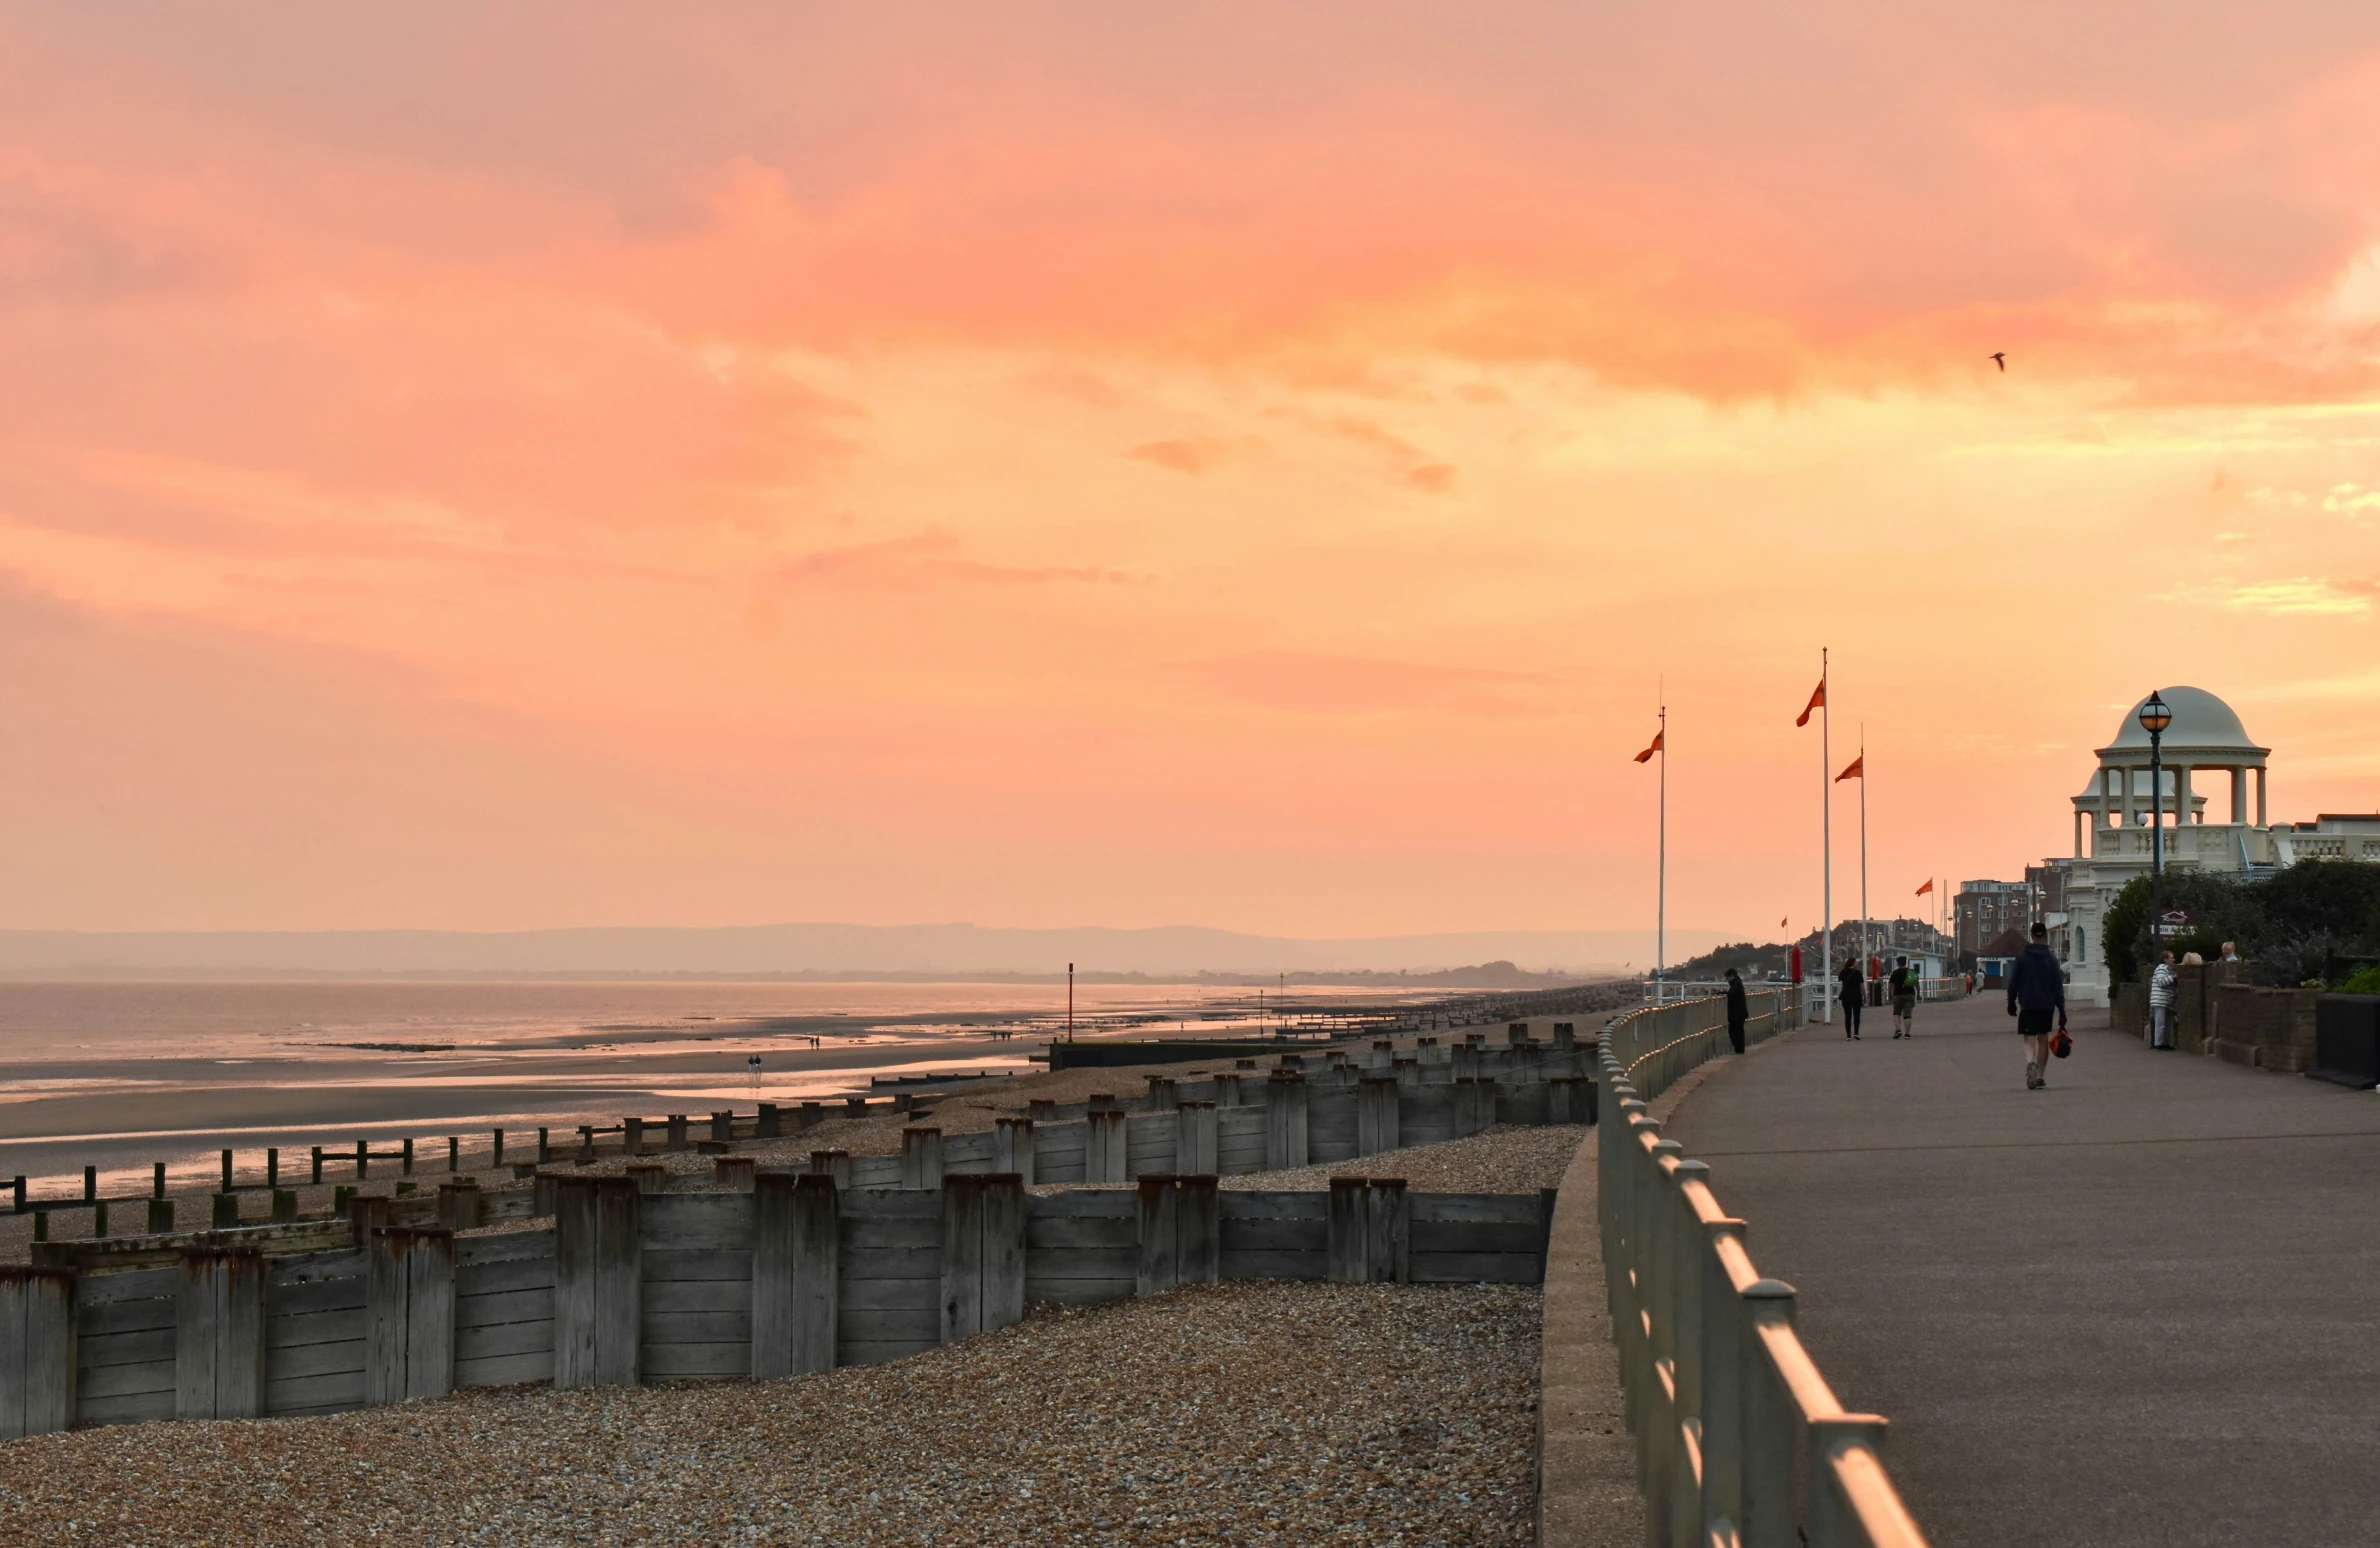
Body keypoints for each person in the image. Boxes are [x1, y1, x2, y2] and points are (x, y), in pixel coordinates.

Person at [2006, 921, 2067, 1088]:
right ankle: (2039, 1076)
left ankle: (2030, 1062)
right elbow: (2058, 987)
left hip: (2028, 1004)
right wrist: (2062, 1009)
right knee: (2043, 1039)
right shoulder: (2052, 960)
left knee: (2028, 1039)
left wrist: (2011, 1001)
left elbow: (2014, 982)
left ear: (2031, 936)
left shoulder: (2022, 957)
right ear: (2045, 936)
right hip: (2047, 1006)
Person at [2148, 950, 2177, 1050]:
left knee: (2166, 1023)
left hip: (2165, 1001)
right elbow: (2161, 982)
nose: (2174, 959)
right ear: (2165, 959)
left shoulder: (2168, 969)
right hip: (2159, 1000)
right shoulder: (2161, 968)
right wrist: (2173, 977)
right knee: (2160, 1023)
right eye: (2171, 957)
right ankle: (2158, 1044)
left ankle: (2164, 1043)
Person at [1888, 955, 1916, 1038]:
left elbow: (1890, 984)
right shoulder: (1910, 971)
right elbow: (1916, 983)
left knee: (1896, 1013)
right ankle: (1907, 1033)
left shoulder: (1895, 973)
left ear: (1898, 963)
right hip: (1909, 995)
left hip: (1898, 995)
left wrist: (1889, 994)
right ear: (1905, 962)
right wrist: (1918, 994)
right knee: (1907, 1015)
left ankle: (1898, 1030)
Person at [1837, 955, 1864, 1040]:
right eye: (1856, 962)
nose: (1857, 964)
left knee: (1847, 1015)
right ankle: (1856, 1033)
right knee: (1857, 1015)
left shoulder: (1842, 972)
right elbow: (1861, 986)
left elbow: (1841, 980)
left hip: (1846, 996)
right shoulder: (1858, 973)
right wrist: (1865, 996)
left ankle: (1848, 1035)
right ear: (1853, 963)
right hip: (1856, 996)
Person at [1724, 967, 1749, 1055]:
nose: (1727, 980)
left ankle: (1738, 1049)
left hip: (1737, 1013)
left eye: (1728, 978)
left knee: (1735, 1031)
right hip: (1739, 1013)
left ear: (1732, 976)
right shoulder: (1738, 983)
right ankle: (1739, 1049)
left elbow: (1731, 993)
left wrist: (1721, 993)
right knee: (1739, 1031)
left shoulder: (1736, 984)